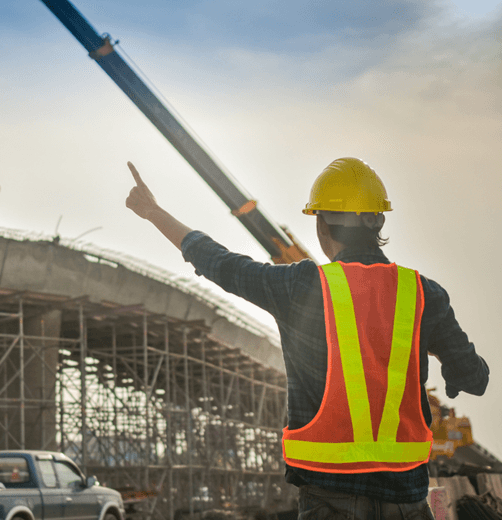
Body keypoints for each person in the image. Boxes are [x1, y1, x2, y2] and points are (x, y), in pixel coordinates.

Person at [124, 158, 489, 519]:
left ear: (322, 224)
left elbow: (219, 262)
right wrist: (452, 372)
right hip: (407, 499)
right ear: (378, 220)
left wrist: (153, 212)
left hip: (329, 499)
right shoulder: (424, 294)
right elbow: (474, 378)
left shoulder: (302, 286)